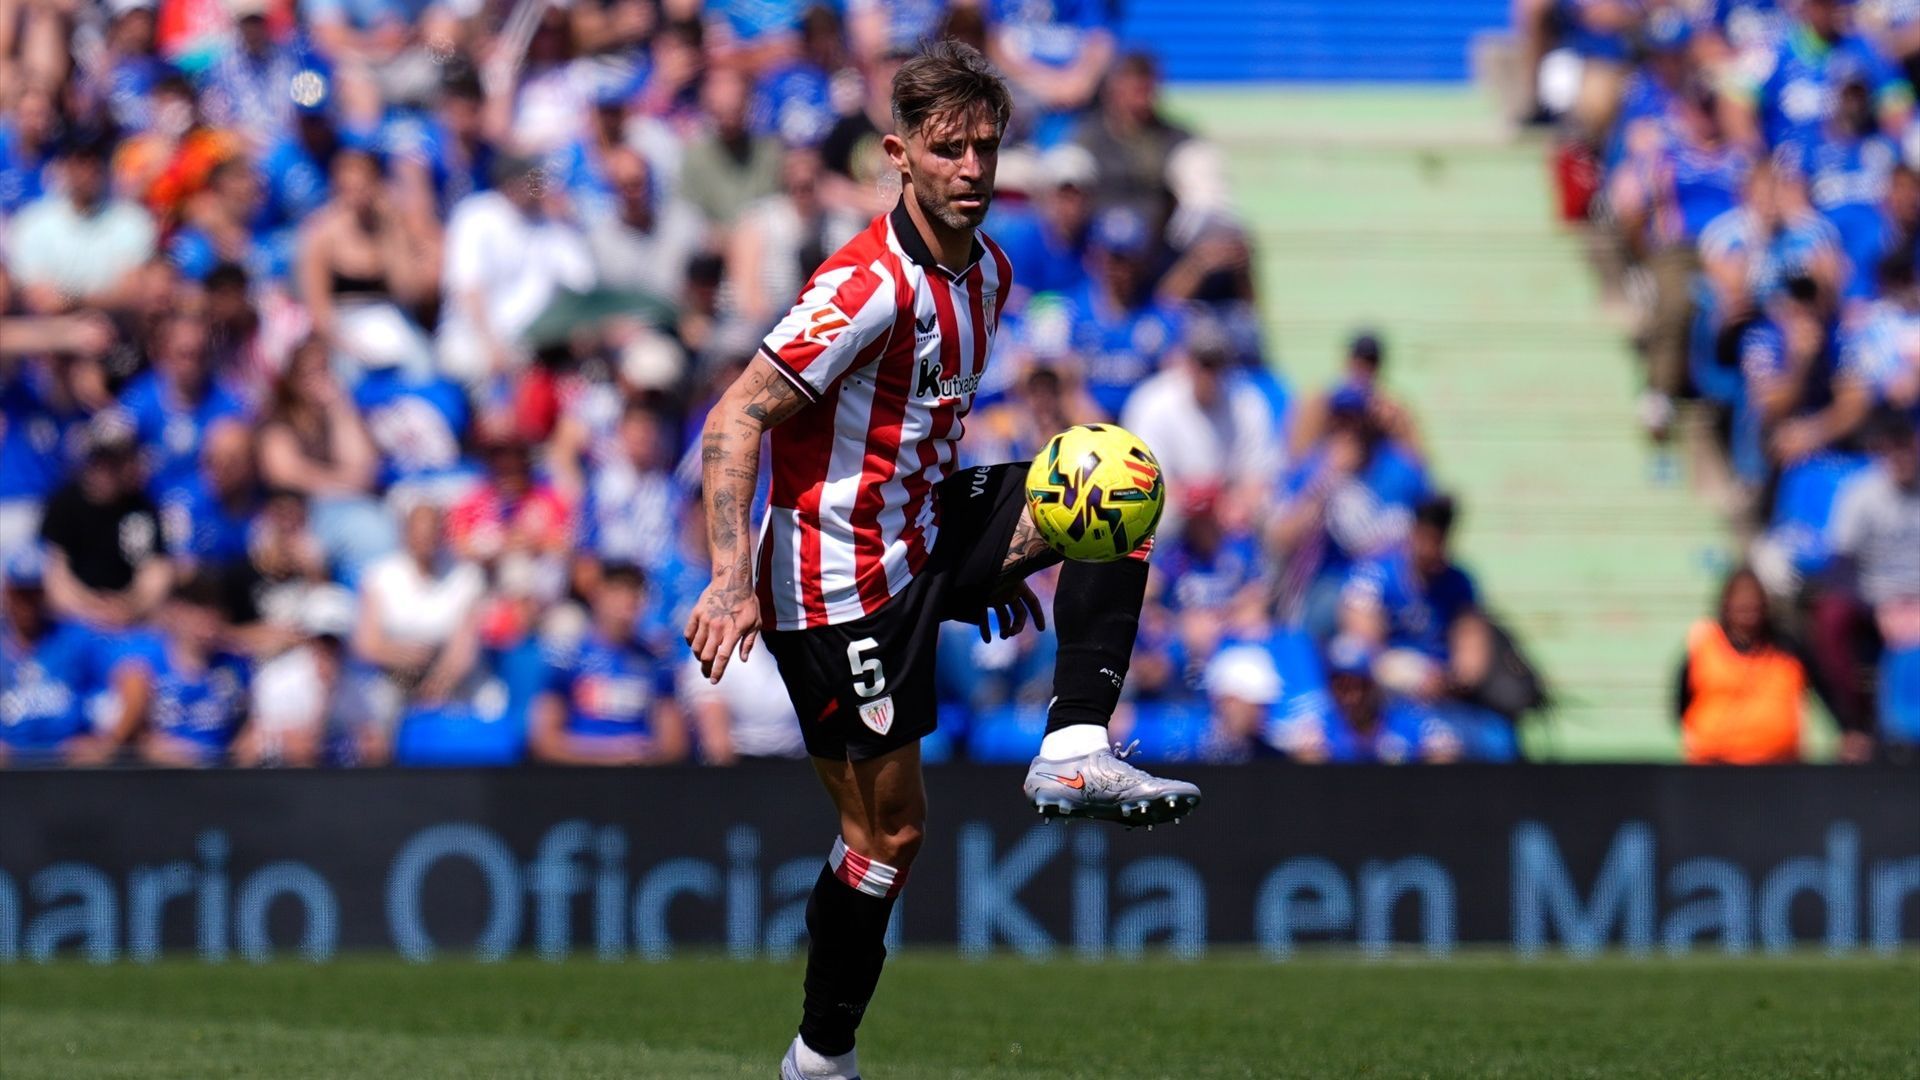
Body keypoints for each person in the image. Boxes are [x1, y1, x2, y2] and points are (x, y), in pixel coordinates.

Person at [679, 44, 1199, 1080]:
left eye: (986, 148)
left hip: (919, 530)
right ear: (899, 155)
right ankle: (821, 1056)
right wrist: (730, 580)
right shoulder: (865, 286)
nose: (971, 167)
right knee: (888, 837)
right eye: (947, 148)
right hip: (833, 586)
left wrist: (992, 564)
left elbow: (920, 433)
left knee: (1113, 482)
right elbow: (735, 418)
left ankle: (1073, 745)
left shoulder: (991, 274)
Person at [1810, 408, 1920, 758]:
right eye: (1895, 448)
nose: (1903, 456)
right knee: (1830, 616)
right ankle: (1854, 723)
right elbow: (1839, 565)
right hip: (1874, 600)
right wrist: (1881, 606)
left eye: (1909, 447)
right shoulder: (1860, 493)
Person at [530, 562, 687, 764]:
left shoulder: (655, 663)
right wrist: (611, 752)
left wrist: (644, 753)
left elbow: (673, 743)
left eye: (634, 592)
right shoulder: (567, 660)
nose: (627, 601)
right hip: (581, 778)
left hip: (640, 778)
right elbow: (544, 740)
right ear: (597, 594)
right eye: (617, 590)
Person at [38, 411, 172, 630]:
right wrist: (90, 608)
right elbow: (56, 577)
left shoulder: (142, 508)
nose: (106, 468)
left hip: (132, 620)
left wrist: (129, 606)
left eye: (116, 460)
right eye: (100, 459)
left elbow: (157, 573)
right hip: (75, 620)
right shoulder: (64, 504)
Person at [104, 571, 252, 767]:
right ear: (176, 611)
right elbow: (133, 733)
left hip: (220, 778)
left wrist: (240, 752)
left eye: (212, 611)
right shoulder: (143, 663)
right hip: (161, 777)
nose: (206, 622)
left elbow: (248, 726)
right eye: (196, 610)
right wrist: (179, 756)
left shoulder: (234, 665)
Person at [6, 128, 157, 315]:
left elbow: (131, 294)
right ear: (64, 167)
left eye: (94, 162)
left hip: (116, 330)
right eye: (78, 162)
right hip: (49, 332)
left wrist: (72, 301)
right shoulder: (32, 223)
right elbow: (40, 300)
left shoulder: (133, 221)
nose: (87, 171)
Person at [1675, 566, 1811, 764]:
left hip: (1778, 768)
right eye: (1740, 600)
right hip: (1713, 765)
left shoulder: (1787, 648)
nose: (1747, 606)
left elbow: (1823, 687)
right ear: (1726, 604)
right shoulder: (1704, 645)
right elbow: (1681, 703)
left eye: (1753, 600)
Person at [0, 548, 116, 765]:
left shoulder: (74, 639)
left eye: (34, 593)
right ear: (7, 592)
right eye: (20, 593)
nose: (27, 604)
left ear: (44, 593)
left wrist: (104, 740)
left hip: (67, 767)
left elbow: (122, 680)